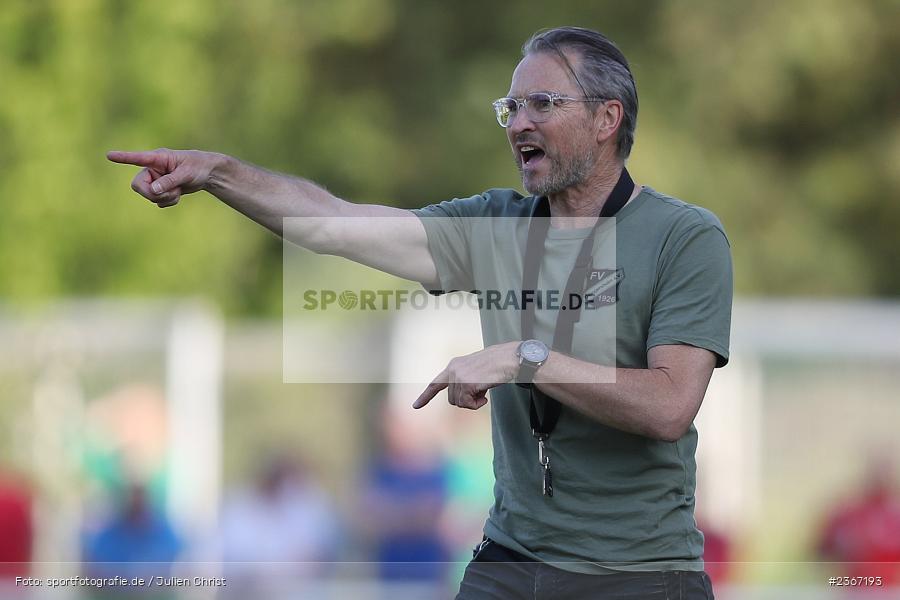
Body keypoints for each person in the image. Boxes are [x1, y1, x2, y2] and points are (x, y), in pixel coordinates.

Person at [109, 26, 731, 600]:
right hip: (513, 560)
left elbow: (669, 406)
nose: (519, 123)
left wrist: (525, 359)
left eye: (542, 104)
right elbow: (334, 225)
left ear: (606, 118)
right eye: (511, 107)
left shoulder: (685, 237)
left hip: (639, 573)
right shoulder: (494, 224)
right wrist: (217, 172)